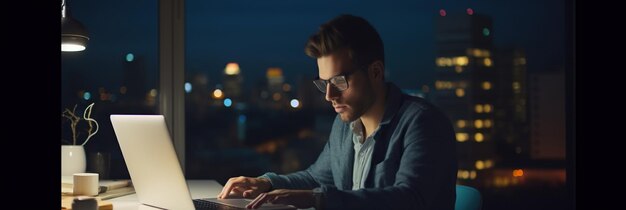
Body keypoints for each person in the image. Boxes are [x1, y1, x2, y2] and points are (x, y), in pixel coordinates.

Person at [218, 14, 457, 210]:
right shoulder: (345, 124)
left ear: (375, 72)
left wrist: (317, 199)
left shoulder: (423, 122)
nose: (329, 95)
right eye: (323, 83)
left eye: (339, 81)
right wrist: (265, 183)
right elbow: (316, 179)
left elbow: (410, 200)